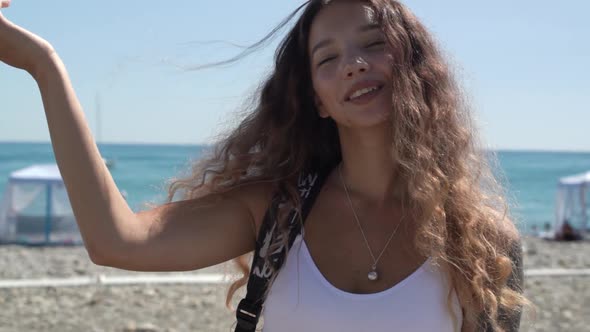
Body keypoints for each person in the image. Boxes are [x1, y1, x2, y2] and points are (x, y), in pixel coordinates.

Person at [0, 0, 529, 331]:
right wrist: (44, 67)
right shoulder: (277, 212)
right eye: (328, 58)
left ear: (413, 64)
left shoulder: (479, 242)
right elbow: (116, 241)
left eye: (373, 45)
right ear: (318, 98)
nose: (354, 63)